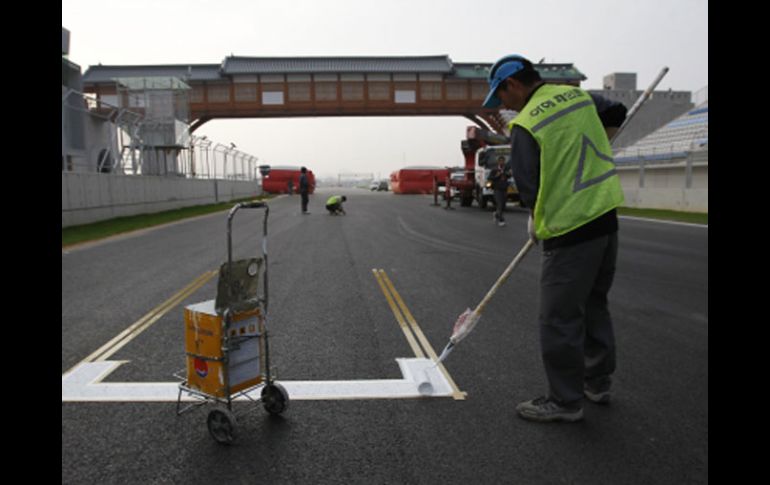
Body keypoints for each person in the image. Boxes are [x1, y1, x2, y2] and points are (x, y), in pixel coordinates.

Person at [482, 54, 627, 423]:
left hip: (569, 227)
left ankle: (565, 401)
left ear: (513, 85)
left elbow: (529, 187)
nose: (502, 105)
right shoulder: (578, 98)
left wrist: (536, 218)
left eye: (500, 96)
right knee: (594, 304)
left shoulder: (527, 124)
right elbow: (617, 113)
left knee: (559, 318)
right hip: (605, 217)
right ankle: (597, 381)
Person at [488, 155, 511, 227]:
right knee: (500, 204)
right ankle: (501, 220)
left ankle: (496, 214)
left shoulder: (506, 169)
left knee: (503, 205)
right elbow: (490, 178)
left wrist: (509, 174)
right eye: (500, 161)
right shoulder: (494, 170)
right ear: (498, 162)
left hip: (504, 189)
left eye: (503, 161)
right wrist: (497, 176)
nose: (502, 162)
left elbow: (509, 176)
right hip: (497, 189)